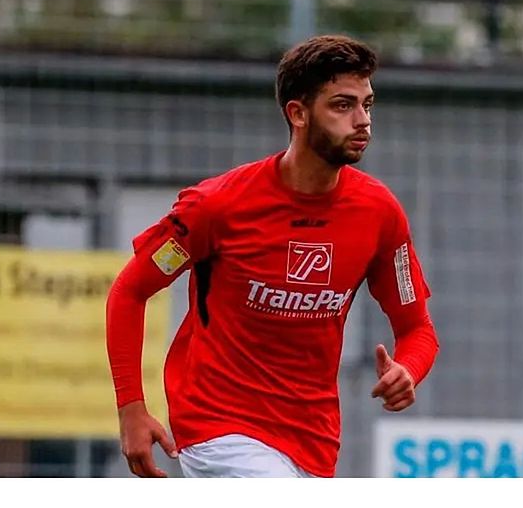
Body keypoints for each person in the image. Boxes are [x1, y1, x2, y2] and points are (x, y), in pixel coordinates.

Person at [105, 34, 440, 478]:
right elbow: (129, 291)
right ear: (298, 114)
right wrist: (131, 409)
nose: (362, 121)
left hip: (313, 439)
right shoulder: (215, 206)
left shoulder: (380, 214)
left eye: (368, 105)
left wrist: (409, 370)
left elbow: (417, 329)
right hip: (217, 426)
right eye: (342, 105)